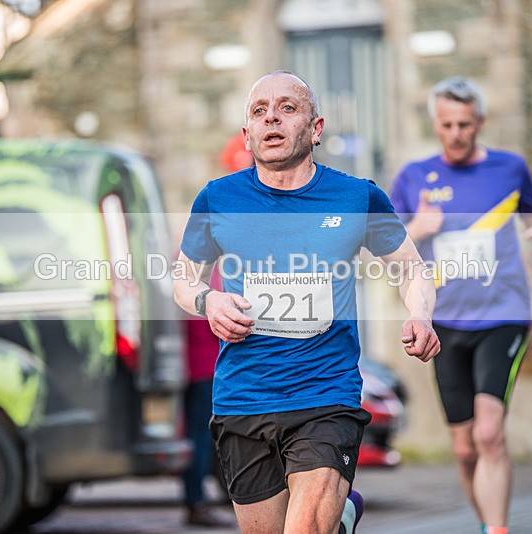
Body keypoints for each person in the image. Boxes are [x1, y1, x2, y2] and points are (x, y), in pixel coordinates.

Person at [173, 71, 440, 534]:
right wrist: (207, 299)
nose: (271, 117)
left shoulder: (356, 197)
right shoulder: (218, 198)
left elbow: (411, 267)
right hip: (244, 397)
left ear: (316, 129)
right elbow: (183, 278)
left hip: (324, 394)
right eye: (259, 111)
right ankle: (343, 519)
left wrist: (420, 313)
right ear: (247, 134)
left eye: (287, 107)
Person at [389, 77, 532, 534]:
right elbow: (386, 247)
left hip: (503, 315)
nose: (457, 133)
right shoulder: (411, 178)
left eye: (465, 123)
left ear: (480, 122)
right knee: (464, 449)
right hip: (444, 322)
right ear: (435, 124)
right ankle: (487, 524)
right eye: (447, 124)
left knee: (489, 433)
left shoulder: (509, 168)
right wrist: (420, 228)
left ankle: (497, 530)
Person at [181, 267, 236, 527]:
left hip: (190, 369)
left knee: (200, 438)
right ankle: (197, 502)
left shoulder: (180, 279)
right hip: (205, 370)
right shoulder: (208, 280)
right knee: (202, 439)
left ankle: (202, 499)